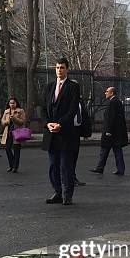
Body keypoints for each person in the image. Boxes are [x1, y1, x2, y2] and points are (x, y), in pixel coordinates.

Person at [42, 58, 80, 205]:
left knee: (66, 166)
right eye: (57, 67)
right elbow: (43, 108)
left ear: (67, 69)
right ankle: (57, 191)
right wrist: (48, 124)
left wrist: (60, 124)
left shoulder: (72, 87)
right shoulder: (49, 87)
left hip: (65, 133)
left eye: (62, 68)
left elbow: (72, 109)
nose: (59, 70)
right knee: (53, 165)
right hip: (51, 133)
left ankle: (67, 194)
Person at [90, 87, 128, 176]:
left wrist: (108, 130)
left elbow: (110, 118)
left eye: (107, 91)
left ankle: (100, 168)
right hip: (117, 132)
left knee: (104, 150)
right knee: (117, 151)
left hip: (110, 133)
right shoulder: (118, 102)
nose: (105, 93)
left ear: (112, 93)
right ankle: (120, 169)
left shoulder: (112, 102)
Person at [0, 97, 26, 173]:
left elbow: (22, 121)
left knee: (16, 150)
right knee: (7, 149)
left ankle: (15, 167)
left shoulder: (20, 111)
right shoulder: (6, 111)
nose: (12, 104)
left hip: (17, 133)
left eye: (13, 103)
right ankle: (11, 165)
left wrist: (14, 119)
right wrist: (6, 122)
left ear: (16, 103)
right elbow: (2, 121)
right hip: (8, 132)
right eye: (10, 103)